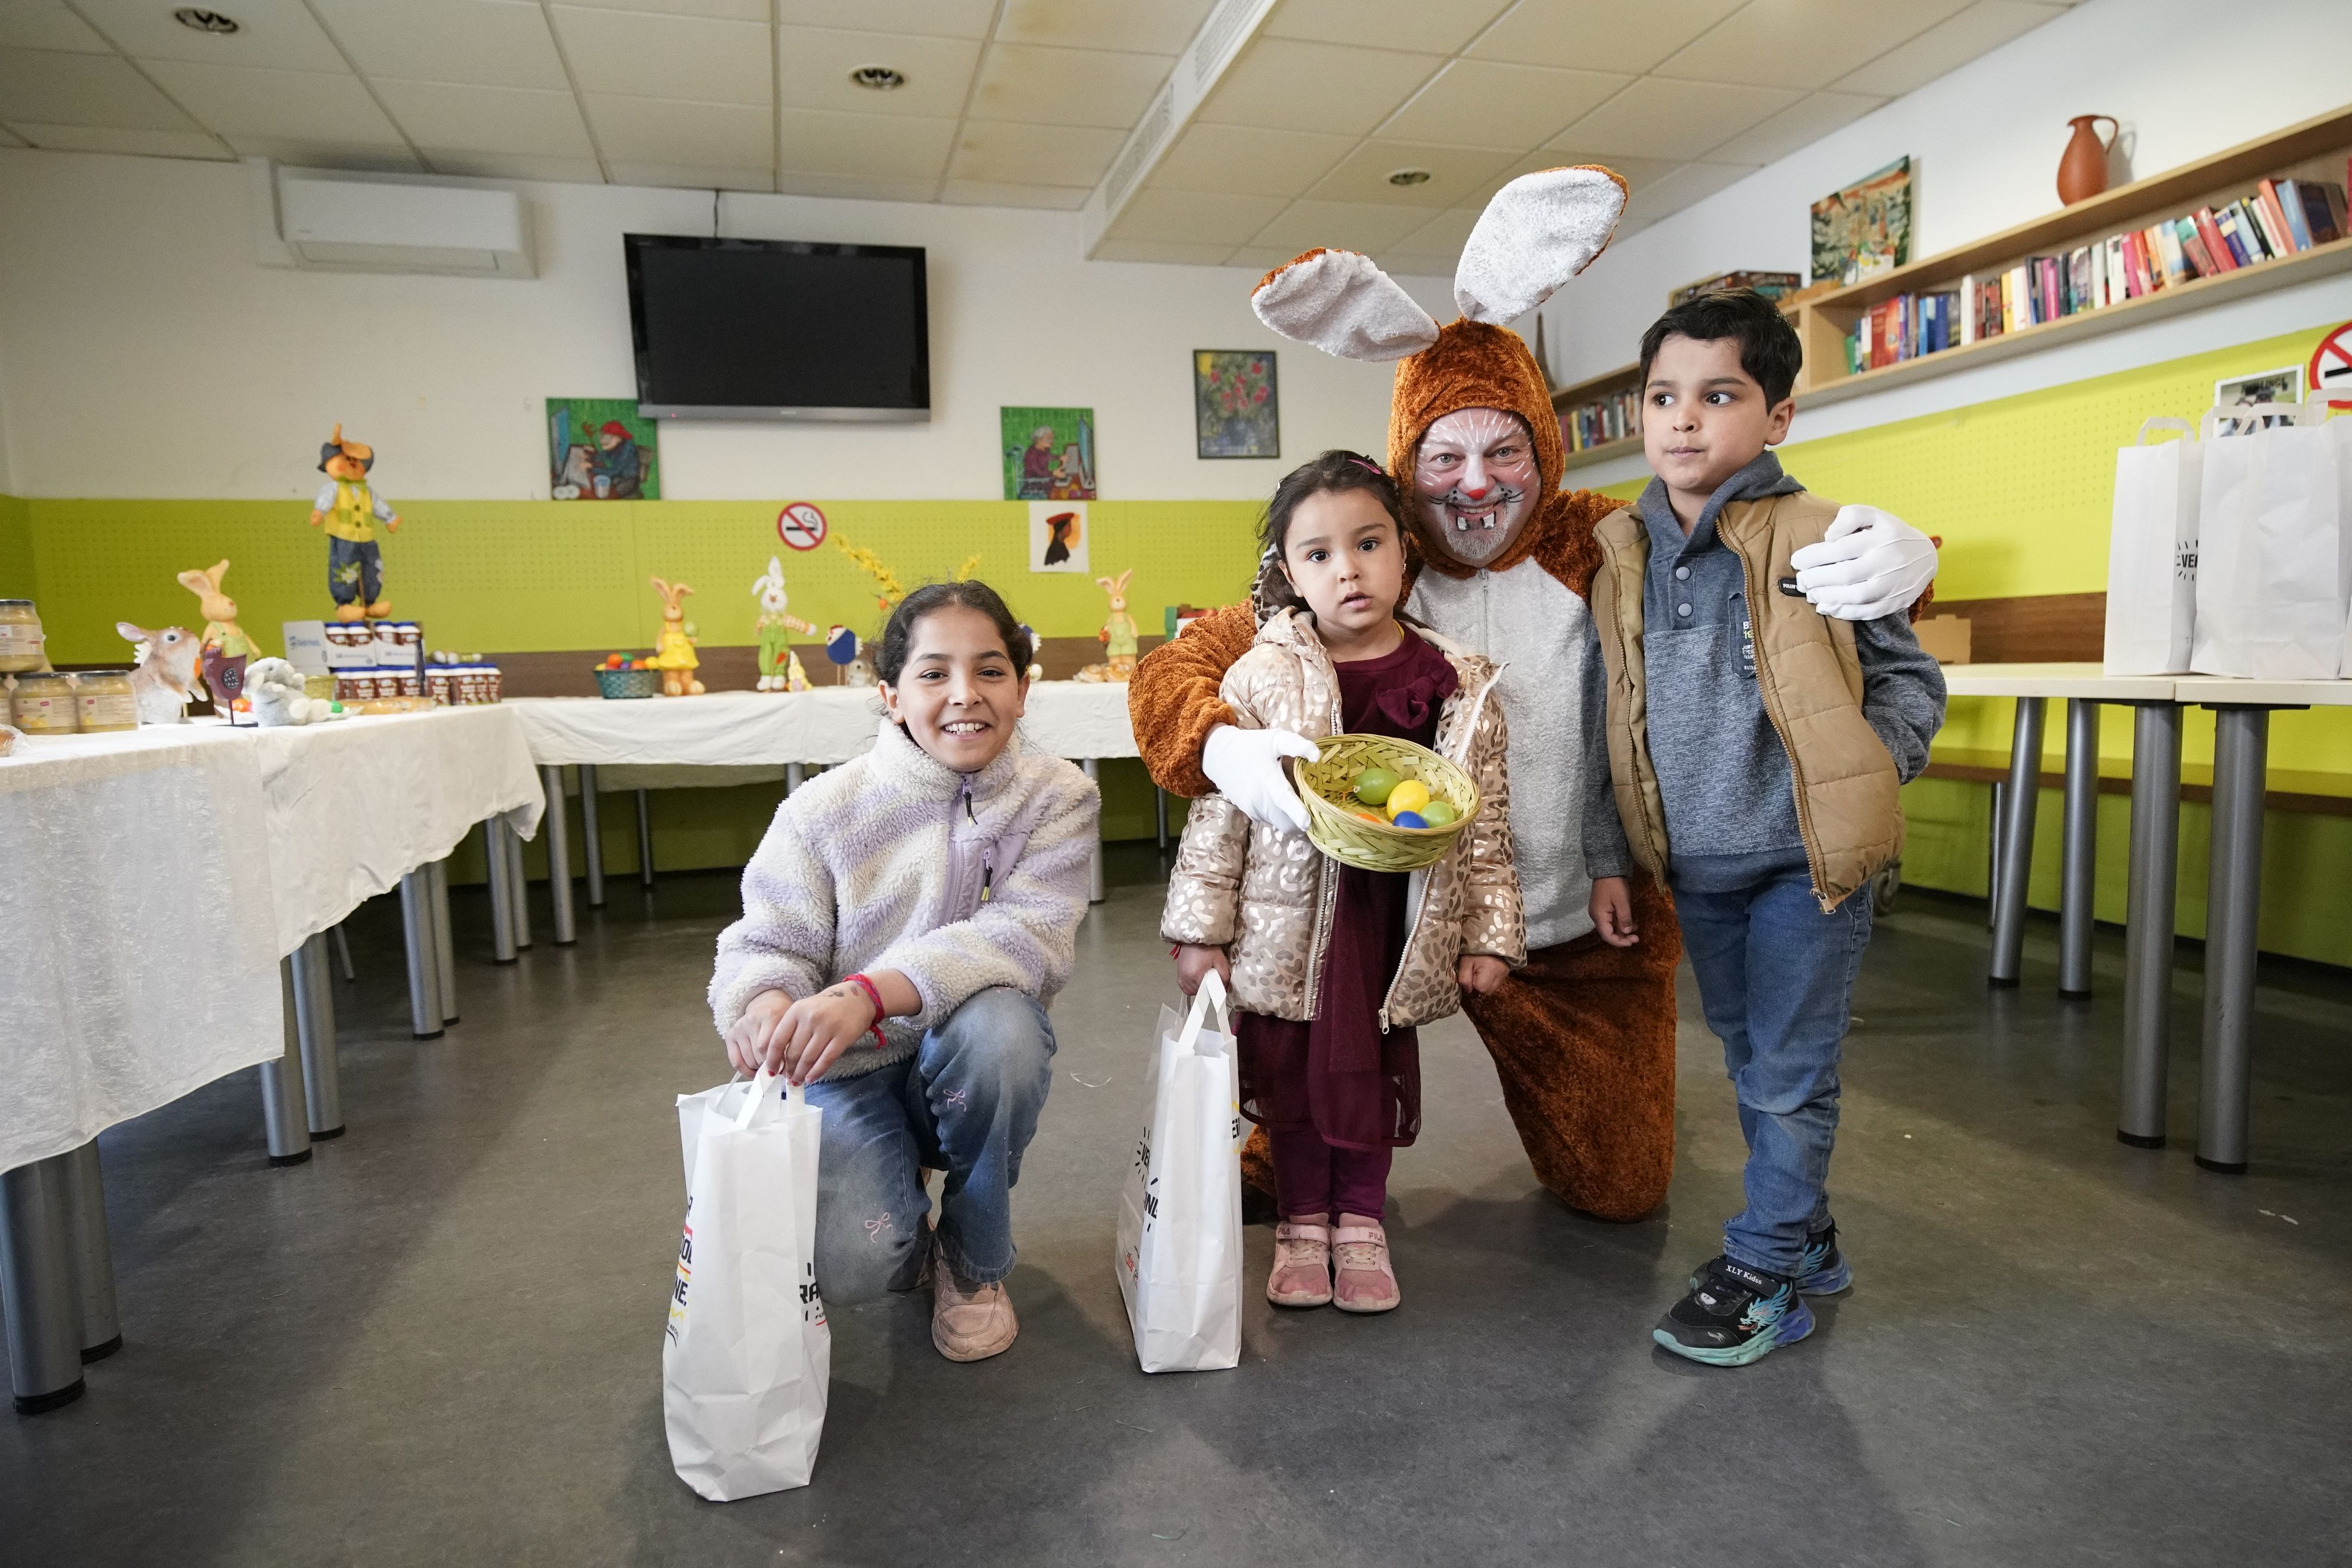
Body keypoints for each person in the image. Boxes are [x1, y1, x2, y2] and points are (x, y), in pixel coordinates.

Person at [1128, 168, 1942, 1228]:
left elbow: (1755, 551)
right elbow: (1179, 671)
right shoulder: (1367, 554)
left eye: (1505, 450)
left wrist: (1915, 555)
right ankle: (1304, 1146)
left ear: (1545, 448)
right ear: (1403, 462)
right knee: (1297, 1158)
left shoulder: (1610, 536)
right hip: (1378, 921)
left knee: (1620, 1189)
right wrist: (1231, 751)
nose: (1475, 486)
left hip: (1577, 932)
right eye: (1444, 457)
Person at [1579, 289, 1946, 1366]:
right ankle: (1808, 1234)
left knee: (1788, 1071)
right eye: (1663, 397)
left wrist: (1865, 778)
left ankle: (1766, 1264)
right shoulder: (1618, 549)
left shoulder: (1827, 536)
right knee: (1751, 1059)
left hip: (1806, 868)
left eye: (1719, 394)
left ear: (1777, 417)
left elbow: (1909, 682)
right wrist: (1612, 856)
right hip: (1697, 866)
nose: (1683, 420)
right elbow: (1612, 715)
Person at [1164, 451, 1522, 1313]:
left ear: (1405, 553)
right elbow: (1221, 816)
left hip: (1389, 924)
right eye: (1318, 555)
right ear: (1289, 573)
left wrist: (1492, 933)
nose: (1348, 570)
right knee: (1288, 1078)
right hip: (1283, 923)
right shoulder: (1258, 675)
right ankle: (1300, 1223)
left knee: (1370, 1069)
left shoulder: (1459, 683)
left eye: (1368, 545)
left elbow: (1483, 822)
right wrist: (1200, 931)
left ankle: (1360, 1220)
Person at [709, 581, 1100, 1363]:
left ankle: (974, 1257)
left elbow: (1025, 939)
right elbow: (764, 944)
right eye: (933, 674)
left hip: (960, 1057)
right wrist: (762, 1005)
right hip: (843, 1069)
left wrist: (868, 994)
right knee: (863, 1261)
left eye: (992, 671)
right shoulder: (823, 811)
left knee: (1005, 1031)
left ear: (1024, 689)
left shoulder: (1059, 796)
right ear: (889, 695)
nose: (965, 695)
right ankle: (907, 1230)